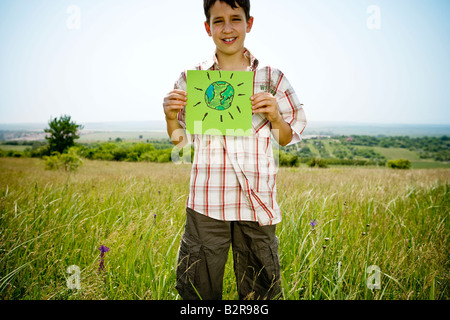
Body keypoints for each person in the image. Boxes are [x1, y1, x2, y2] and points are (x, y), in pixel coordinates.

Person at [162, 0, 307, 300]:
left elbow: (286, 137)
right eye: (218, 21)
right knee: (197, 291)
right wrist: (168, 116)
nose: (227, 28)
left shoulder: (272, 78)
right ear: (208, 27)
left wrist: (276, 117)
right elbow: (180, 142)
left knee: (261, 292)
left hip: (256, 200)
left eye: (235, 19)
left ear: (248, 24)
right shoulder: (192, 79)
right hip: (206, 201)